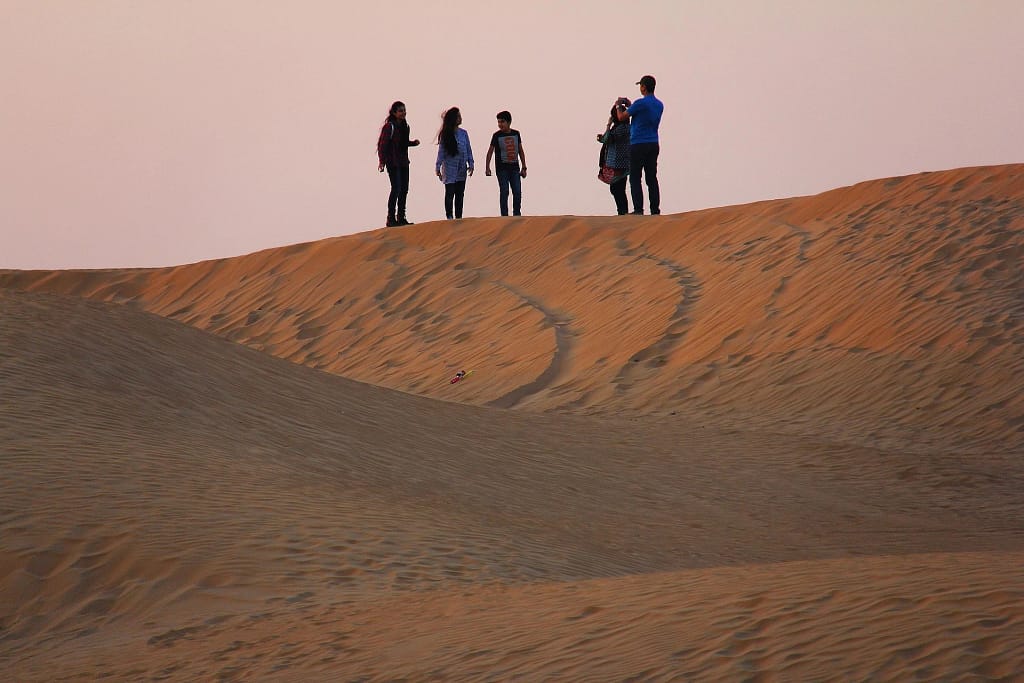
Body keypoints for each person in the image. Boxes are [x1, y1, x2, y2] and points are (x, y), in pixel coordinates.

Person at [377, 101, 420, 227]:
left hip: (403, 162)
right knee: (396, 188)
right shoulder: (389, 127)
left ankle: (401, 217)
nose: (403, 113)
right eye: (400, 110)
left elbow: (403, 143)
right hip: (393, 162)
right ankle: (391, 218)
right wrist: (382, 161)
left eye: (404, 110)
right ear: (394, 112)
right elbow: (382, 145)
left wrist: (413, 143)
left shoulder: (405, 126)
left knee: (404, 189)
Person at [626, 74, 664, 215]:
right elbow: (643, 113)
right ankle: (655, 210)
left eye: (641, 86)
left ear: (644, 87)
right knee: (651, 178)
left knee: (635, 177)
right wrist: (632, 106)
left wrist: (619, 106)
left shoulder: (640, 103)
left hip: (638, 143)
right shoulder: (659, 104)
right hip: (653, 143)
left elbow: (622, 116)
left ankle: (638, 209)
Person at [485, 111, 527, 216]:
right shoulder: (496, 135)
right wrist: (487, 167)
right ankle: (504, 216)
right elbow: (490, 151)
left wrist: (524, 167)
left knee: (517, 192)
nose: (500, 124)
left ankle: (517, 214)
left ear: (509, 122)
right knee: (504, 191)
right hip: (502, 169)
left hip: (514, 168)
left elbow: (520, 150)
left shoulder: (516, 134)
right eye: (498, 122)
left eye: (502, 122)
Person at [435, 107, 474, 220]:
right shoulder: (446, 134)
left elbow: (468, 149)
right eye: (458, 116)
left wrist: (471, 163)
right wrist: (437, 166)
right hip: (449, 168)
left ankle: (459, 217)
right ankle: (449, 216)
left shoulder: (464, 133)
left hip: (462, 168)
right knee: (450, 193)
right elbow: (441, 152)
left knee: (460, 194)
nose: (460, 118)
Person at [596, 97, 631, 215]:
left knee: (617, 189)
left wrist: (608, 125)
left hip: (619, 164)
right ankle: (622, 213)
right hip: (619, 164)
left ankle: (622, 214)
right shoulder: (624, 127)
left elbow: (607, 139)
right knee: (617, 189)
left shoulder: (622, 128)